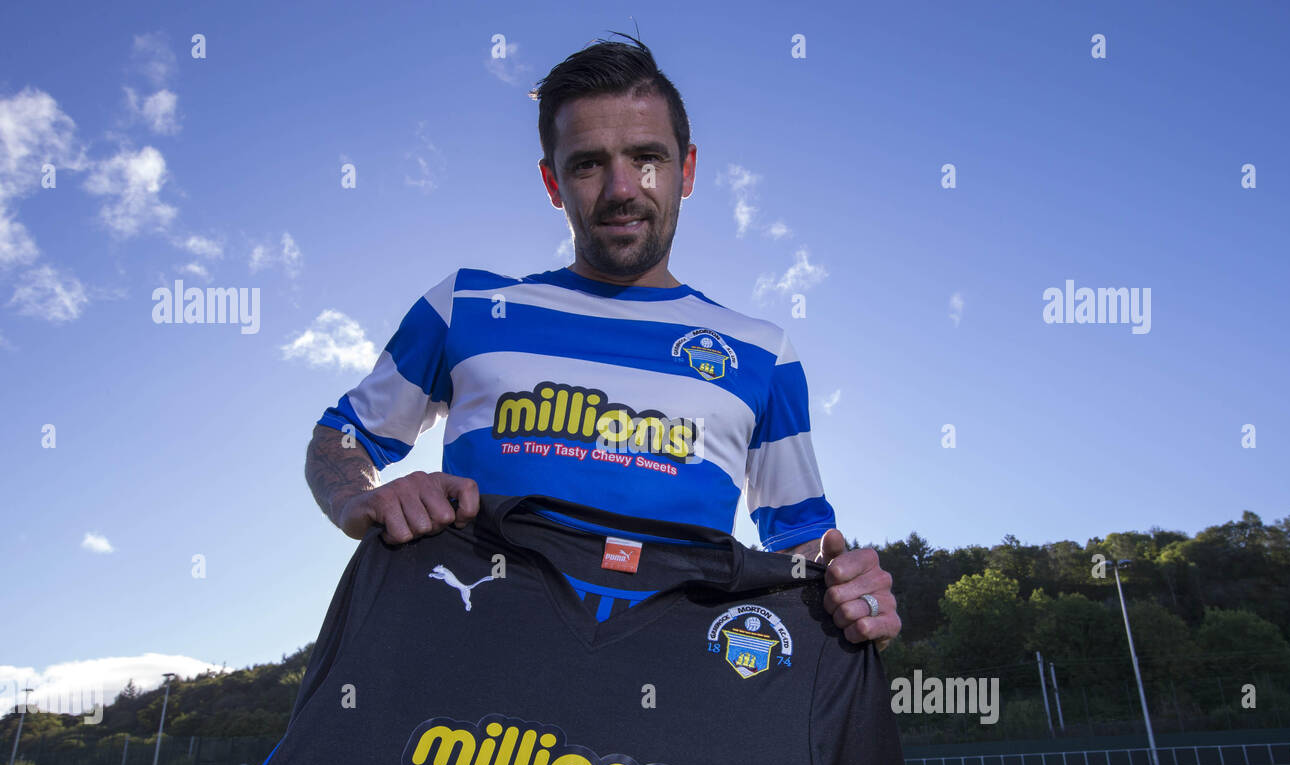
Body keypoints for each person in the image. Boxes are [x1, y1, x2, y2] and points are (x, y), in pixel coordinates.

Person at [304, 33, 899, 648]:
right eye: (588, 164)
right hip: (470, 678)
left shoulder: (764, 354)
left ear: (685, 169)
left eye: (646, 158)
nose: (621, 189)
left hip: (663, 700)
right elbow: (341, 436)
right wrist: (361, 499)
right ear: (552, 183)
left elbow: (805, 543)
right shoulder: (465, 307)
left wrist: (856, 591)